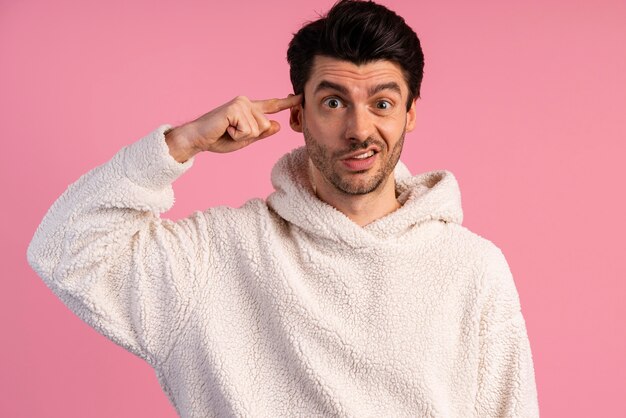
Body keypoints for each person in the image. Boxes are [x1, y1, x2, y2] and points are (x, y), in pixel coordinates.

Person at [27, 0, 539, 416]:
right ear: (298, 114)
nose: (360, 130)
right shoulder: (219, 255)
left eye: (382, 103)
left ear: (409, 115)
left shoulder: (472, 268)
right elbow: (67, 249)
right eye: (334, 102)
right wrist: (181, 143)